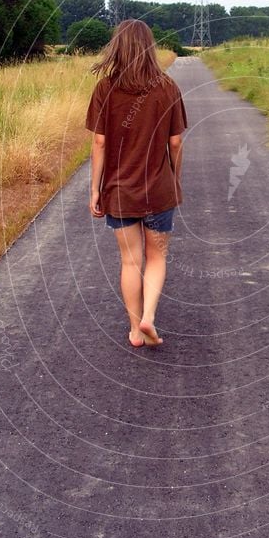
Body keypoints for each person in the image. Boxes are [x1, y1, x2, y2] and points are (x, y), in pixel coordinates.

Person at [85, 19, 188, 348]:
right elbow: (175, 143)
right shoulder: (167, 87)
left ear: (118, 46)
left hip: (120, 192)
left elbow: (99, 143)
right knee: (156, 258)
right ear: (149, 47)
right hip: (158, 190)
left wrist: (95, 189)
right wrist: (174, 179)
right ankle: (149, 317)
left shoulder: (106, 89)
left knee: (130, 261)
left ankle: (134, 330)